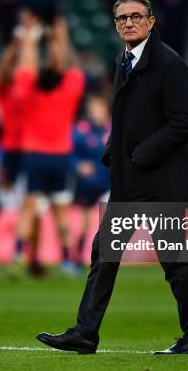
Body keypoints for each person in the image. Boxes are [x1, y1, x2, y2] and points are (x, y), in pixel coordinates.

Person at [36, 0, 188, 355]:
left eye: (135, 16)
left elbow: (185, 121)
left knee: (174, 262)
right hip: (131, 183)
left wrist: (141, 154)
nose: (128, 23)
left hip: (160, 184)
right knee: (104, 253)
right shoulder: (124, 60)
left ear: (151, 21)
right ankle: (85, 333)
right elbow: (129, 117)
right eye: (122, 18)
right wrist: (114, 150)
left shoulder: (168, 63)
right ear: (116, 26)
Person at [10, 14, 85, 278]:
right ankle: (66, 260)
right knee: (61, 211)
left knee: (29, 207)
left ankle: (18, 255)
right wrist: (59, 35)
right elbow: (68, 64)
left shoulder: (29, 95)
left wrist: (30, 40)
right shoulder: (68, 93)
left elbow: (24, 69)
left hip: (34, 157)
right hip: (60, 157)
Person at [70, 94, 111, 267]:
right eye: (92, 110)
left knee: (109, 222)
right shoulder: (80, 131)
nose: (95, 113)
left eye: (98, 109)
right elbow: (68, 153)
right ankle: (78, 256)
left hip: (109, 184)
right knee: (86, 224)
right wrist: (78, 165)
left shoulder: (114, 130)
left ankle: (105, 258)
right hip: (87, 186)